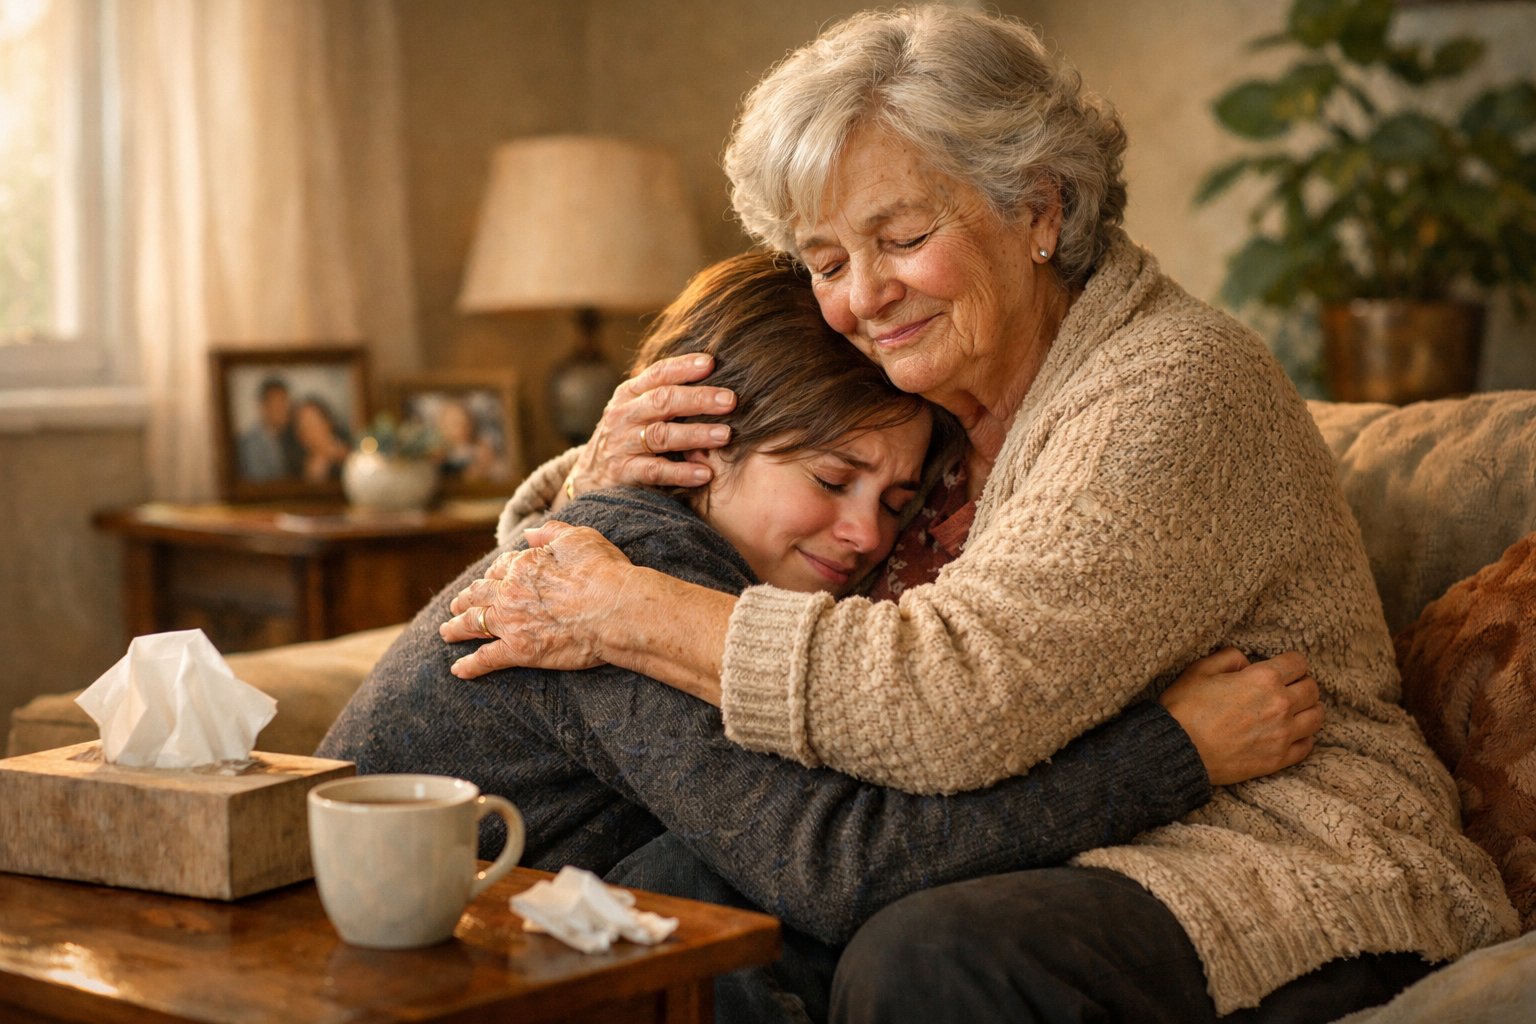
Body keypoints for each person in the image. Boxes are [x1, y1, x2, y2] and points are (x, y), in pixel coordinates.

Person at [441, 6, 1517, 1023]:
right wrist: (601, 480)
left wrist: (626, 608)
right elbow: (721, 485)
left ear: (1039, 210)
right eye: (827, 262)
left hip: (1270, 850)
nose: (864, 297)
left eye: (903, 236)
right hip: (1024, 836)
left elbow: (952, 693)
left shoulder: (1177, 385)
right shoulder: (930, 394)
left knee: (929, 959)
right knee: (672, 899)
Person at [321, 253, 1312, 1023]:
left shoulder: (699, 564)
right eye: (832, 480)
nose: (866, 535)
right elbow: (840, 865)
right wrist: (1171, 751)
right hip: (371, 970)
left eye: (894, 500)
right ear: (698, 444)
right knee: (723, 890)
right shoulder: (621, 581)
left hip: (501, 953)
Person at [236, 376, 300, 482]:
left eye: (285, 403)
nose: (284, 410)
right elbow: (260, 482)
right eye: (277, 405)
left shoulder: (289, 436)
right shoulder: (250, 443)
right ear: (263, 407)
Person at [291, 395, 351, 483]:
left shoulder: (350, 453)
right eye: (304, 427)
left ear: (328, 423)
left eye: (313, 423)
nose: (309, 432)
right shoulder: (298, 463)